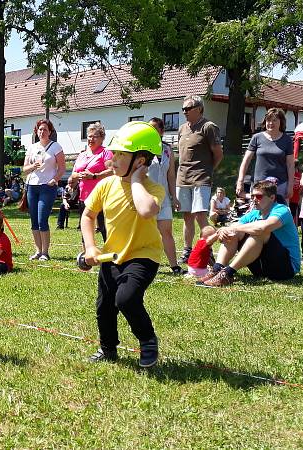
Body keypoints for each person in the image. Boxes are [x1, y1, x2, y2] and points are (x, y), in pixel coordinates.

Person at [82, 121, 164, 368]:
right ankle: (108, 348)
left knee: (126, 299)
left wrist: (137, 180)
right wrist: (90, 247)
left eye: (121, 155)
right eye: (114, 153)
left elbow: (146, 210)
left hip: (143, 256)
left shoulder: (152, 188)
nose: (114, 159)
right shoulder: (106, 184)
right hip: (112, 256)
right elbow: (88, 215)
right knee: (104, 306)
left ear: (140, 161)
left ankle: (148, 341)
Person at [200, 180, 300, 287]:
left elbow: (263, 227)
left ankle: (227, 274)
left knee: (260, 231)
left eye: (259, 196)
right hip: (261, 270)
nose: (254, 200)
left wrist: (235, 228)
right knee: (233, 232)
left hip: (285, 269)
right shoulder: (254, 213)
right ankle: (217, 269)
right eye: (252, 197)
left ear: (272, 197)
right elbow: (234, 227)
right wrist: (227, 230)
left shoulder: (282, 210)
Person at [176, 95, 223, 264]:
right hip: (182, 179)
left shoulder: (209, 127)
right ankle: (187, 251)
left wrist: (208, 171)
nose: (184, 112)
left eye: (187, 108)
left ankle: (207, 250)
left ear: (199, 109)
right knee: (187, 217)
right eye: (183, 109)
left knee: (200, 216)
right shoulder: (182, 128)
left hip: (201, 179)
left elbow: (218, 154)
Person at [22, 118, 66, 261]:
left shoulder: (56, 147)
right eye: (40, 129)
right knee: (34, 220)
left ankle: (45, 252)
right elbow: (25, 169)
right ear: (36, 131)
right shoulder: (32, 147)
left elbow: (62, 168)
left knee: (42, 220)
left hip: (47, 187)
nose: (42, 132)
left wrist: (55, 179)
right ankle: (38, 250)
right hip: (32, 186)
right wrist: (33, 166)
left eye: (45, 129)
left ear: (50, 132)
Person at [146, 117, 183, 275]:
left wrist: (174, 196)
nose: (151, 131)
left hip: (165, 198)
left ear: (162, 131)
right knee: (147, 233)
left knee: (166, 232)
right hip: (147, 197)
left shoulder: (168, 150)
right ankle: (146, 264)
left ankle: (174, 265)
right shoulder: (143, 148)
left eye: (155, 128)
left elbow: (171, 175)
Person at [236, 108, 295, 202]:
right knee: (258, 214)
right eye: (268, 120)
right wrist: (240, 181)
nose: (271, 123)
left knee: (278, 215)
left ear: (281, 122)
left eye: (274, 120)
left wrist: (290, 185)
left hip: (280, 186)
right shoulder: (257, 138)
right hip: (259, 185)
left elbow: (290, 165)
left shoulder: (287, 140)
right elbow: (246, 161)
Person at [69, 121, 113, 241]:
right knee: (85, 229)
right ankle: (87, 256)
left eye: (95, 136)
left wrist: (94, 176)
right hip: (84, 197)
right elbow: (74, 173)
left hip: (101, 197)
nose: (91, 139)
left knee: (104, 229)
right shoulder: (82, 155)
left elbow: (112, 171)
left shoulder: (106, 153)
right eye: (89, 136)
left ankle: (110, 257)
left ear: (102, 138)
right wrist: (75, 177)